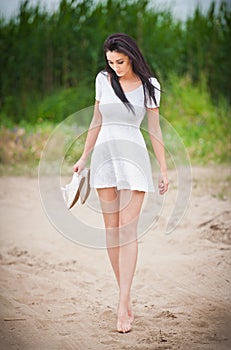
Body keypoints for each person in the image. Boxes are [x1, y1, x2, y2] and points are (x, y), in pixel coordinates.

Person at [73, 33, 168, 333]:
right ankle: (124, 298)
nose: (115, 67)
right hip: (104, 155)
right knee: (112, 231)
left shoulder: (151, 87)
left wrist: (164, 170)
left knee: (128, 231)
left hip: (134, 157)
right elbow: (95, 121)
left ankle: (121, 302)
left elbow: (155, 130)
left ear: (132, 57)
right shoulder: (103, 79)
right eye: (110, 62)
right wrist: (83, 157)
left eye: (120, 62)